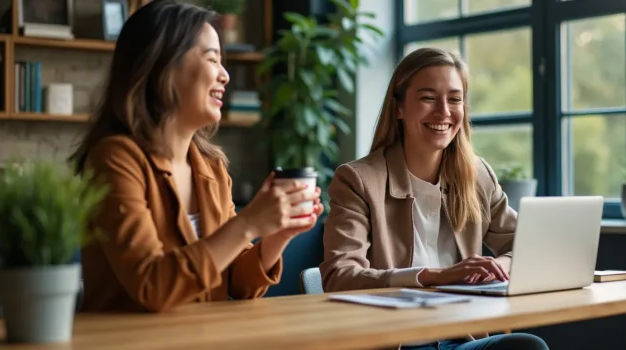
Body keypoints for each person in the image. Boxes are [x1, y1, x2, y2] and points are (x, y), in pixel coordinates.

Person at [69, 0, 323, 313]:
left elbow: (238, 284)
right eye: (212, 59)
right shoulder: (114, 159)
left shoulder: (212, 169)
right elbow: (152, 285)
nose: (225, 75)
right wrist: (247, 223)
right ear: (164, 67)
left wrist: (274, 238)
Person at [319, 47, 549, 350]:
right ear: (398, 107)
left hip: (460, 339)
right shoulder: (358, 180)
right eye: (428, 98)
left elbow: (528, 247)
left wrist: (496, 266)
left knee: (526, 345)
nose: (444, 112)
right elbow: (341, 277)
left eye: (455, 99)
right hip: (394, 343)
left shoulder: (478, 176)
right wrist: (436, 276)